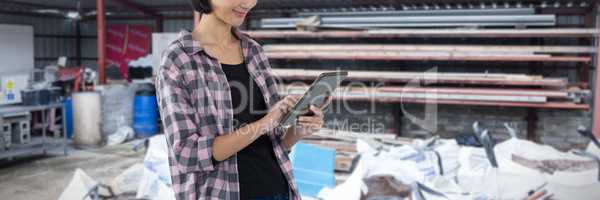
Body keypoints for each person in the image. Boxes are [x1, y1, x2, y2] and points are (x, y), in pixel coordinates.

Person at [155, 0, 331, 199]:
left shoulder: (253, 51)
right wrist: (264, 123)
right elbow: (187, 154)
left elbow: (275, 143)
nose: (248, 3)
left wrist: (298, 131)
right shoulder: (179, 60)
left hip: (278, 190)